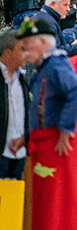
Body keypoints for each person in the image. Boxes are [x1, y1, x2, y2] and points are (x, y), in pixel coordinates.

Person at [20, 14, 77, 230]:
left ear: (42, 43)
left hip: (59, 145)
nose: (24, 49)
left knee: (59, 206)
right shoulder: (47, 66)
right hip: (48, 142)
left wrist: (65, 127)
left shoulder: (55, 65)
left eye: (27, 44)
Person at [0, 29, 27, 179]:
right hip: (2, 153)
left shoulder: (21, 80)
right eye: (22, 49)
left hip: (19, 154)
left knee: (15, 199)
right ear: (8, 52)